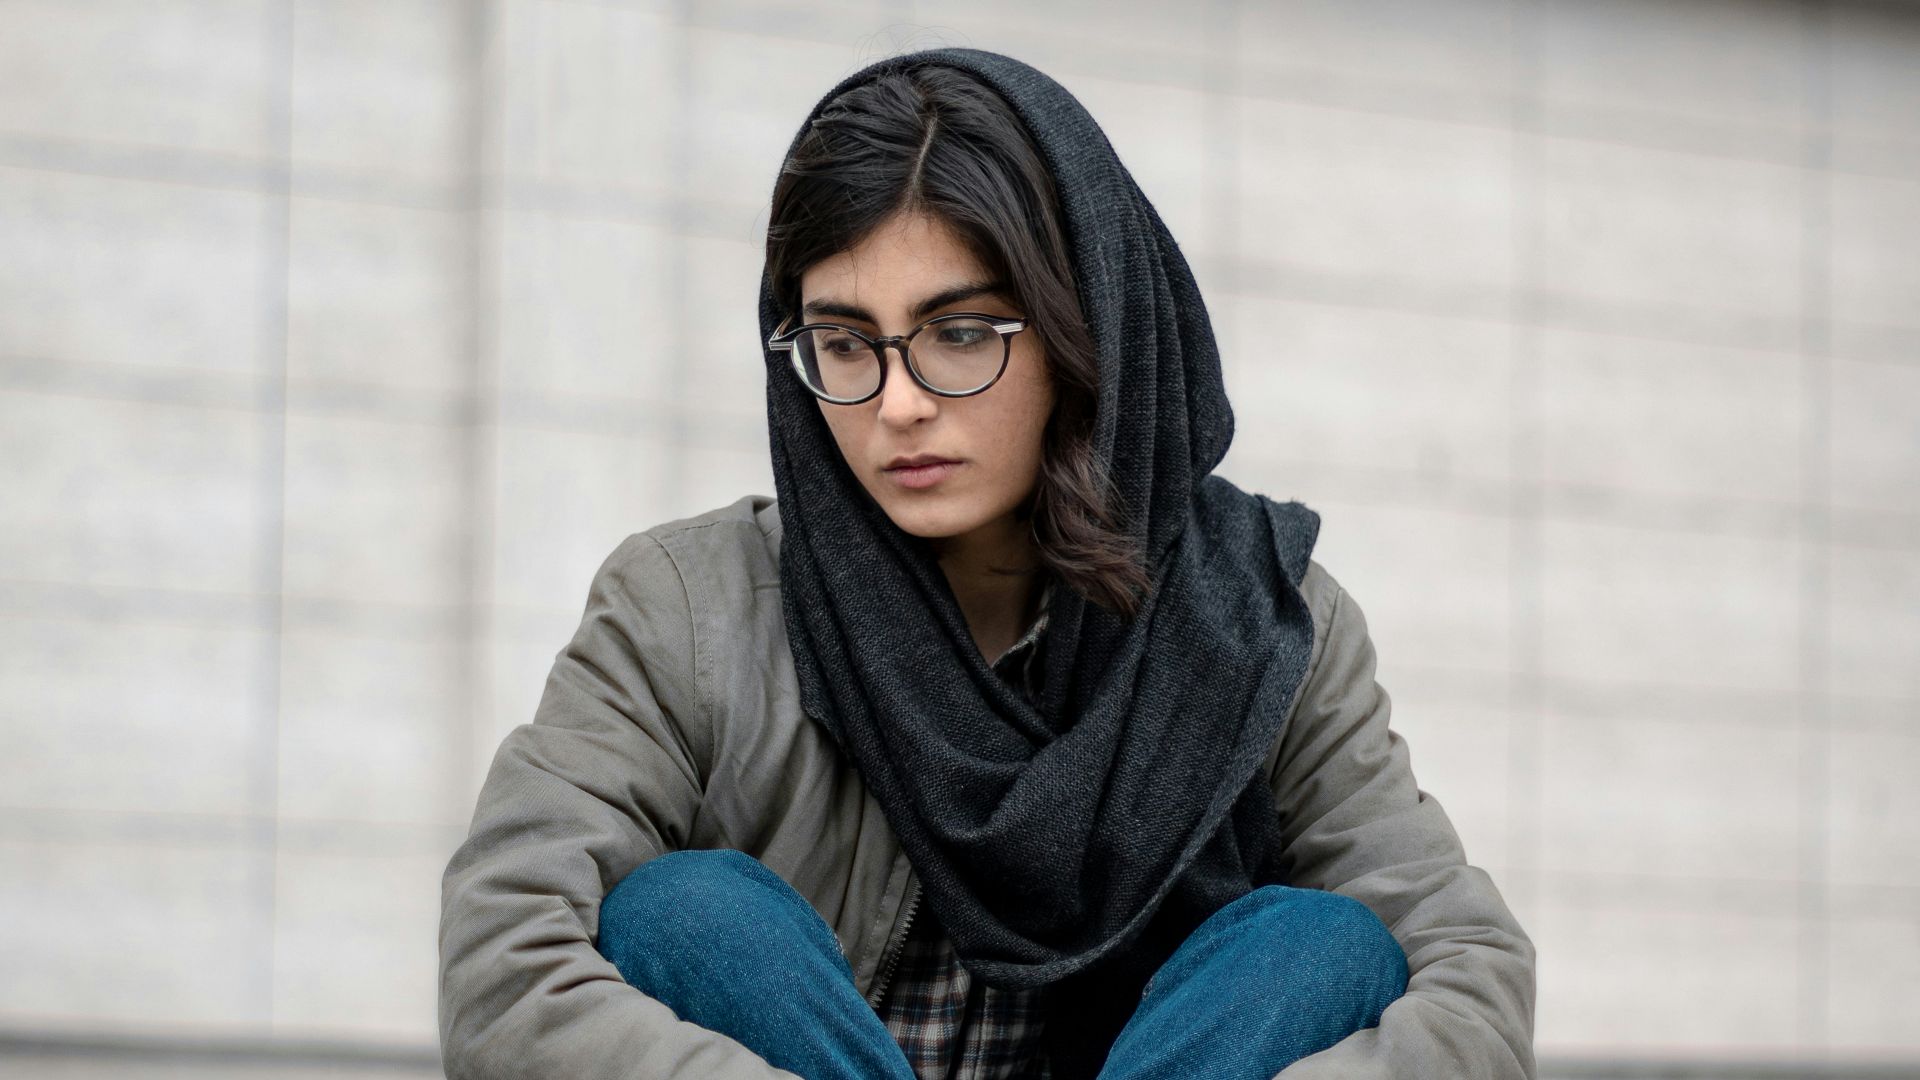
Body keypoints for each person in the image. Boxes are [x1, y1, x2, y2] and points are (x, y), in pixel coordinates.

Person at [438, 47, 1536, 1080]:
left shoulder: (1265, 619)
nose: (898, 402)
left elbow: (1470, 972)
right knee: (685, 914)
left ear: (1080, 331)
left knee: (1320, 945)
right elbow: (508, 955)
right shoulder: (687, 606)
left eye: (959, 333)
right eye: (845, 343)